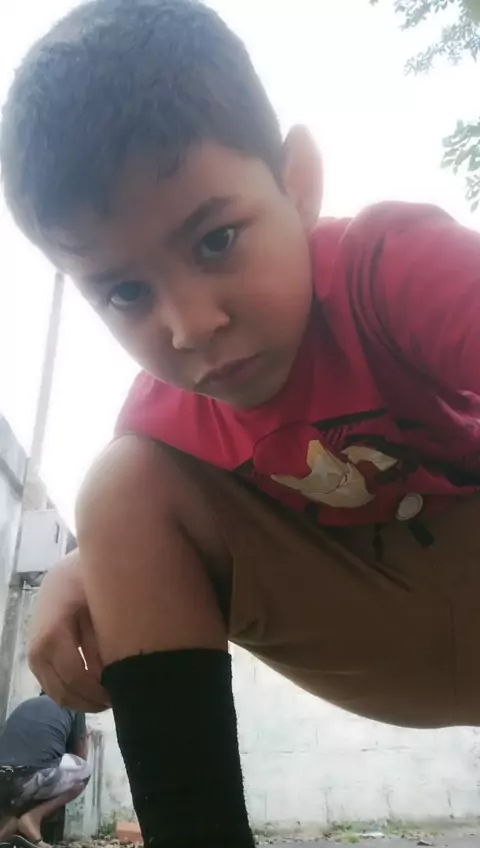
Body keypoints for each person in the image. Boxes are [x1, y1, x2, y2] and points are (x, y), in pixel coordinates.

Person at [1, 0, 480, 845]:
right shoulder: (158, 436)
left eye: (216, 240)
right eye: (126, 291)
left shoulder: (387, 266)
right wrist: (89, 568)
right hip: (391, 638)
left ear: (298, 182)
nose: (190, 327)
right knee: (118, 486)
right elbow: (131, 526)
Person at [0, 694, 91, 846]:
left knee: (25, 779)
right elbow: (81, 755)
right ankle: (33, 818)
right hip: (30, 778)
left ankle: (9, 823)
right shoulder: (74, 704)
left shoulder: (28, 704)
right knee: (84, 770)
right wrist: (86, 738)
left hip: (3, 779)